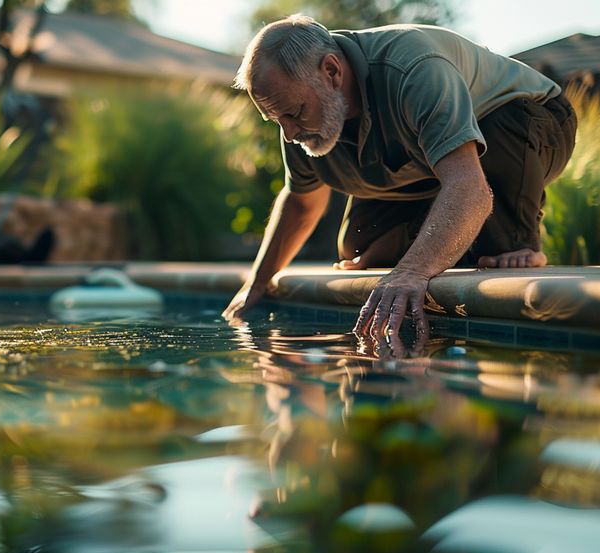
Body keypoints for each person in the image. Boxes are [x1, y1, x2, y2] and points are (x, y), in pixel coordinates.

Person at [222, 15, 577, 341]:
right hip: (427, 164)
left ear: (332, 71)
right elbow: (301, 204)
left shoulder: (413, 67)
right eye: (276, 120)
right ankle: (455, 236)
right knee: (360, 253)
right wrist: (256, 284)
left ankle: (518, 240)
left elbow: (470, 189)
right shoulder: (300, 118)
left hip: (527, 123)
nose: (288, 134)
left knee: (491, 252)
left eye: (295, 113)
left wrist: (413, 272)